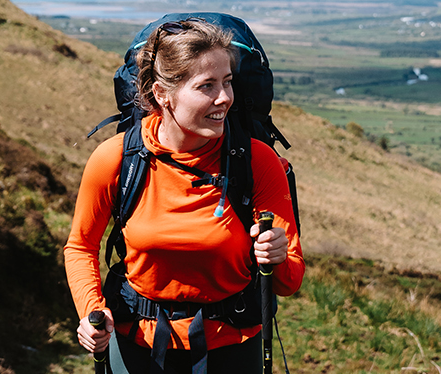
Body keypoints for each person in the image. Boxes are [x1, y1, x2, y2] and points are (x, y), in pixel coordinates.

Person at [61, 18, 304, 373]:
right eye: (206, 86)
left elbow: (288, 282)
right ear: (162, 94)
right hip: (137, 344)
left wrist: (277, 255)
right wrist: (91, 311)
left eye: (228, 81)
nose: (225, 98)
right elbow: (81, 246)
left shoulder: (257, 162)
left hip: (231, 344)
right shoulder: (117, 159)